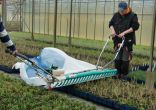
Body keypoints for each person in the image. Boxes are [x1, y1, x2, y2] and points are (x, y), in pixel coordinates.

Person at [109, 1, 140, 77]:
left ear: (126, 9)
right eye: (119, 11)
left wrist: (124, 33)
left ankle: (124, 74)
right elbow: (111, 23)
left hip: (127, 40)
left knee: (125, 58)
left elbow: (135, 26)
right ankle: (117, 73)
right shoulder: (116, 15)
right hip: (117, 39)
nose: (120, 12)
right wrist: (112, 30)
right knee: (117, 57)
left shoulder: (133, 16)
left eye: (122, 11)